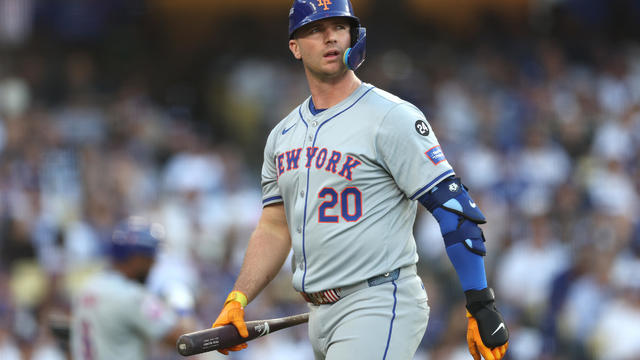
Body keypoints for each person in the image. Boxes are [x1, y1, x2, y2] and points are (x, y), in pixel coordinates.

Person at [211, 1, 509, 359]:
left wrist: (480, 301)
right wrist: (239, 296)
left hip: (378, 301)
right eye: (315, 29)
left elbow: (453, 206)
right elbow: (275, 227)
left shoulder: (391, 116)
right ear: (294, 47)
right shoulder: (282, 134)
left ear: (353, 35)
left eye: (338, 27)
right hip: (318, 314)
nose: (330, 37)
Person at [70, 216, 195, 360]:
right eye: (149, 257)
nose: (153, 263)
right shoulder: (131, 296)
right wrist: (183, 308)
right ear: (136, 258)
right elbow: (184, 340)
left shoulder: (87, 287)